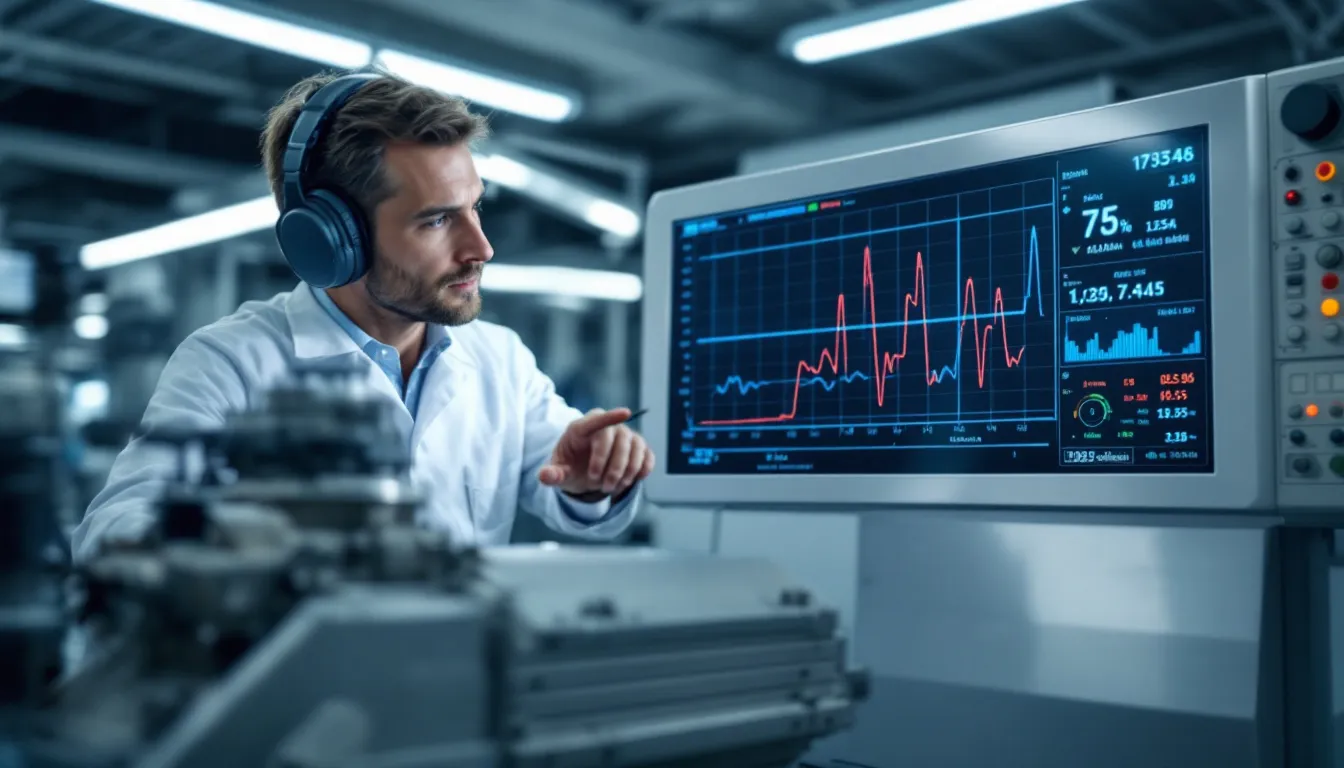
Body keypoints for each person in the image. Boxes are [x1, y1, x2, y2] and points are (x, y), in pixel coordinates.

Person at [70, 70, 653, 560]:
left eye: (475, 208)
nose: (482, 247)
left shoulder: (500, 359)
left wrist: (589, 479)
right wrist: (243, 534)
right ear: (332, 239)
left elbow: (584, 505)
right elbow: (111, 535)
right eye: (436, 220)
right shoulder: (231, 364)